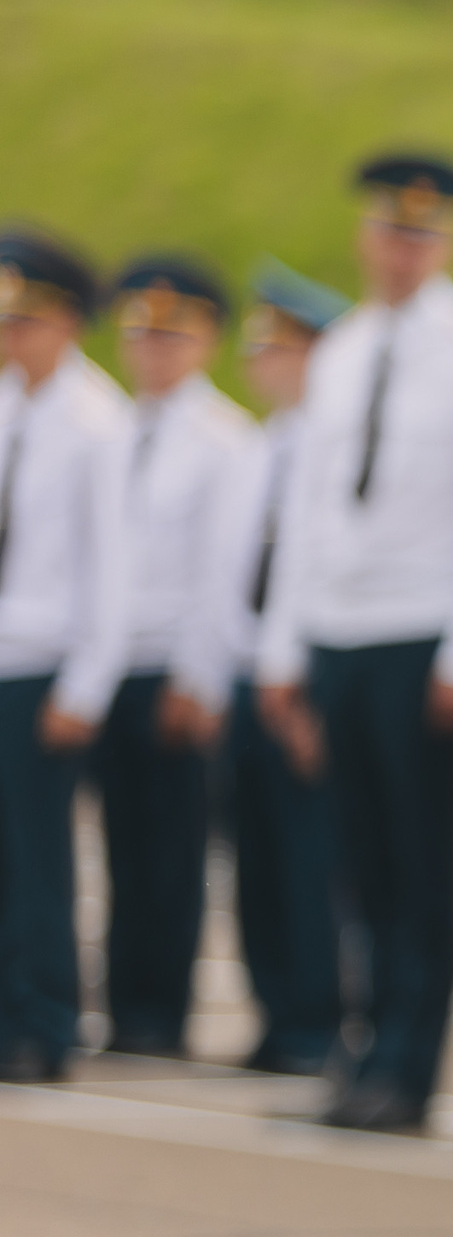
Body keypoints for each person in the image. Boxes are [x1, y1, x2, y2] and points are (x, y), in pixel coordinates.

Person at [255, 152, 453, 1132]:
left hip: (423, 635)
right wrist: (285, 650)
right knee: (356, 858)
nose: (400, 250)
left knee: (421, 866)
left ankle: (410, 1067)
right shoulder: (341, 350)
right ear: (365, 236)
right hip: (339, 628)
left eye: (420, 234)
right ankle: (363, 1048)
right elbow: (309, 509)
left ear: (447, 242)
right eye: (388, 230)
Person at [96, 257, 264, 1057]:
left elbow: (219, 573)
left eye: (171, 336)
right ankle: (126, 1004)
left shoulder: (223, 438)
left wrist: (200, 675)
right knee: (120, 844)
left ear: (205, 341)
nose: (152, 350)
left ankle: (160, 1012)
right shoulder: (115, 427)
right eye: (141, 333)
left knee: (169, 846)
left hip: (173, 665)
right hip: (110, 660)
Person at [0, 231, 134, 1083]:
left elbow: (112, 566)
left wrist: (86, 683)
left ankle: (46, 1021)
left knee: (38, 858)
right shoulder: (6, 404)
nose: (12, 336)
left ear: (68, 322)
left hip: (46, 666)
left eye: (27, 321)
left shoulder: (97, 420)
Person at [228, 260, 354, 1075]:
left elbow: (319, 569)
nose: (261, 364)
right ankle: (277, 1010)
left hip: (308, 677)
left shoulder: (330, 442)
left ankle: (317, 1015)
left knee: (315, 861)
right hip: (248, 673)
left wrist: (298, 683)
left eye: (279, 349)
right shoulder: (261, 444)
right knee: (257, 858)